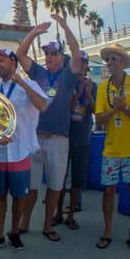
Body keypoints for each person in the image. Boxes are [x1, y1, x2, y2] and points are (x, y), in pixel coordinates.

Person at [14, 13, 81, 241]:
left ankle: (47, 226)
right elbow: (20, 54)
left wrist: (63, 25)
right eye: (47, 53)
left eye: (53, 53)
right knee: (31, 186)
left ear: (62, 57)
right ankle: (24, 222)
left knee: (54, 186)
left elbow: (77, 52)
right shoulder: (39, 73)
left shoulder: (69, 75)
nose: (49, 56)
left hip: (58, 139)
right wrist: (33, 33)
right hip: (36, 137)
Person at [0, 49, 49, 252]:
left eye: (2, 60)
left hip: (21, 150)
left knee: (19, 196)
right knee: (0, 195)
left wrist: (21, 82)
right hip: (0, 151)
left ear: (14, 62)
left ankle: (14, 231)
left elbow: (42, 105)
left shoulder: (29, 85)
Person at [94, 43, 130, 251]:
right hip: (111, 150)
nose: (110, 62)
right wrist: (114, 109)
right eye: (109, 59)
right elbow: (98, 120)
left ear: (123, 62)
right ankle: (107, 231)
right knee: (108, 191)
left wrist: (124, 107)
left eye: (115, 58)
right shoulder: (102, 88)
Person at [55, 51, 96, 230]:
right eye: (78, 62)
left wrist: (88, 98)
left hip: (83, 140)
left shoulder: (93, 86)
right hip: (65, 139)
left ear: (87, 65)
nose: (81, 66)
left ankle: (71, 216)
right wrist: (78, 92)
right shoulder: (66, 83)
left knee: (77, 181)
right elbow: (66, 107)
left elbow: (95, 111)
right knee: (60, 180)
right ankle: (58, 213)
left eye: (84, 63)